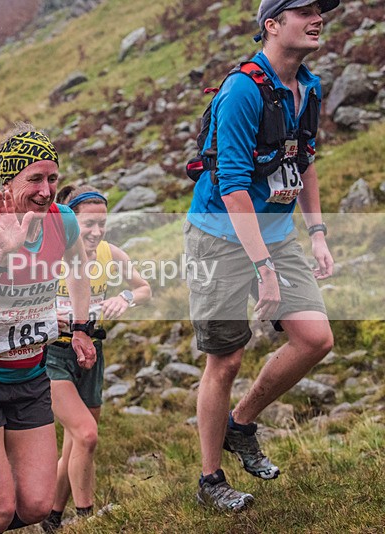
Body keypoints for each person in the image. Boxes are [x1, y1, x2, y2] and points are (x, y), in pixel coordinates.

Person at [184, 0, 337, 512]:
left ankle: (242, 423)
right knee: (224, 359)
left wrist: (316, 234)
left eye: (320, 11)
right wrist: (263, 269)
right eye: (304, 12)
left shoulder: (308, 86)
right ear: (271, 25)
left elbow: (305, 160)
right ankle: (210, 481)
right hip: (219, 237)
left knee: (315, 338)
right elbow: (230, 186)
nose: (317, 19)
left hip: (275, 233)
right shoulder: (242, 91)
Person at [0, 124, 97, 534]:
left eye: (53, 178)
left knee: (38, 506)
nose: (46, 190)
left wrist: (80, 327)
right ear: (9, 182)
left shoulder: (62, 220)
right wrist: (3, 255)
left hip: (30, 375)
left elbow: (79, 268)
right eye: (34, 179)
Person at [41, 185, 151, 532]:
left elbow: (145, 288)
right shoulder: (51, 253)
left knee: (76, 441)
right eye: (88, 224)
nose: (96, 232)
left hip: (91, 352)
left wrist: (127, 297)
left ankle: (52, 519)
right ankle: (88, 518)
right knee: (86, 434)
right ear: (71, 222)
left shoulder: (110, 253)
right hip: (51, 354)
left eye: (102, 224)